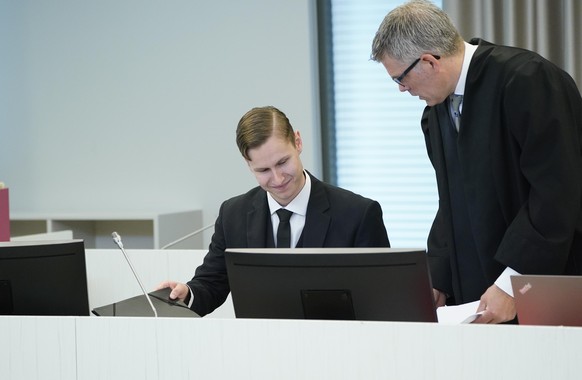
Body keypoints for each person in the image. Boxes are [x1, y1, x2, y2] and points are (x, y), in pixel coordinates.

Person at [371, 0, 582, 323]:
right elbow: (451, 201)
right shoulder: (436, 111)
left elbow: (557, 194)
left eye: (400, 77)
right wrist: (437, 279)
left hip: (541, 291)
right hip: (479, 297)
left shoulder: (528, 80)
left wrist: (514, 283)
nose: (402, 89)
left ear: (428, 62)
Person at [158, 106, 390, 316]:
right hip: (260, 350)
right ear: (248, 164)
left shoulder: (358, 214)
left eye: (282, 163)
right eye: (263, 170)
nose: (278, 179)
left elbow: (380, 300)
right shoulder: (233, 214)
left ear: (297, 142)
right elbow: (212, 283)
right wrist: (187, 293)